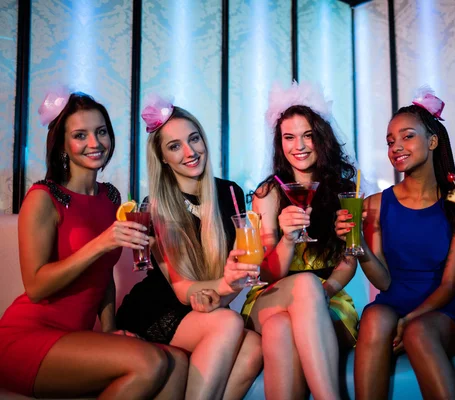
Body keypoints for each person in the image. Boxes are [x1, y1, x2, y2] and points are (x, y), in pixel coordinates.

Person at [0, 90, 186, 399]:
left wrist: (110, 329)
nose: (94, 142)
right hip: (28, 336)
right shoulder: (43, 197)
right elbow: (36, 287)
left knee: (178, 361)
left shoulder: (110, 197)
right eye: (80, 135)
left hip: (78, 337)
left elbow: (104, 277)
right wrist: (101, 242)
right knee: (150, 362)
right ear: (62, 144)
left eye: (101, 132)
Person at [116, 95, 263, 400]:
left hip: (208, 309)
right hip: (158, 311)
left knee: (255, 348)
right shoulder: (153, 208)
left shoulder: (230, 193)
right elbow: (182, 290)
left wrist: (221, 294)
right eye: (175, 146)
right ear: (163, 158)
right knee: (228, 322)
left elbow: (239, 272)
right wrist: (222, 290)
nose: (190, 151)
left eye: (194, 139)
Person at [336, 87, 455, 399]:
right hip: (391, 304)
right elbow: (383, 282)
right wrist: (359, 245)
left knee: (417, 331)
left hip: (441, 311)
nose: (396, 146)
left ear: (433, 141)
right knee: (373, 316)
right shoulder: (373, 204)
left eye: (407, 136)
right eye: (390, 141)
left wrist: (410, 319)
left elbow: (449, 286)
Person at [239, 81, 358, 400]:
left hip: (329, 299)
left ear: (321, 138)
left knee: (281, 328)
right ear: (280, 143)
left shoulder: (345, 191)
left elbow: (350, 259)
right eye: (289, 137)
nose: (299, 145)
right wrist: (288, 239)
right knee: (302, 286)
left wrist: (326, 289)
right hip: (272, 294)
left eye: (308, 135)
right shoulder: (267, 194)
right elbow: (265, 274)